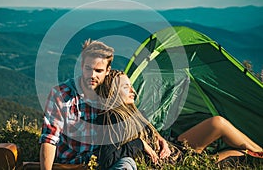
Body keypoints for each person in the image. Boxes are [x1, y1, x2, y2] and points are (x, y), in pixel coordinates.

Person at [95, 70, 263, 169]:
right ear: (113, 92)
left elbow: (148, 132)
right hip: (176, 162)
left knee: (217, 123)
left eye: (131, 86)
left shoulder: (131, 111)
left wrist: (160, 139)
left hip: (175, 147)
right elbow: (106, 159)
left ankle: (260, 151)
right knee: (241, 156)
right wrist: (141, 144)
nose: (133, 91)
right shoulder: (113, 118)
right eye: (126, 87)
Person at [39, 39, 114, 170]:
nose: (92, 75)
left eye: (98, 71)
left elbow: (131, 116)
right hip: (69, 165)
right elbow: (49, 140)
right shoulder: (61, 95)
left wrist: (156, 138)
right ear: (81, 66)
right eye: (88, 68)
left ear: (108, 70)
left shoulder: (111, 94)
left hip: (102, 164)